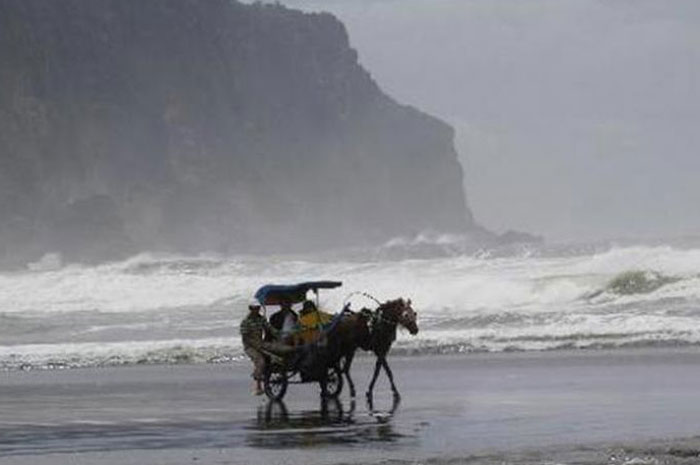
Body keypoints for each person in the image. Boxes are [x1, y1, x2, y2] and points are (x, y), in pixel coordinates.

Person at [240, 299, 294, 395]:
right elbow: (246, 338)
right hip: (250, 346)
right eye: (255, 308)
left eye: (258, 308)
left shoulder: (261, 319)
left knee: (282, 349)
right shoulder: (245, 322)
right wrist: (257, 346)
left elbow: (271, 329)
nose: (257, 310)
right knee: (260, 361)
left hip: (261, 343)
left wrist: (282, 335)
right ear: (250, 309)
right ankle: (258, 386)